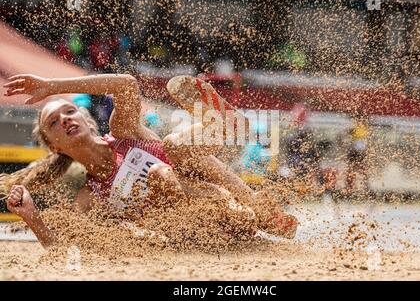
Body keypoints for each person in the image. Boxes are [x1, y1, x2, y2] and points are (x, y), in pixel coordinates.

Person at [1, 74, 298, 248]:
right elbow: (66, 248)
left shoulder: (124, 131)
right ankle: (251, 207)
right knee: (159, 174)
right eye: (53, 123)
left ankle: (226, 137)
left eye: (69, 111)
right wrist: (31, 216)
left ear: (89, 121)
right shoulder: (89, 197)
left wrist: (51, 86)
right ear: (55, 146)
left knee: (176, 145)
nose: (64, 120)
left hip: (224, 201)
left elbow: (127, 84)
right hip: (199, 236)